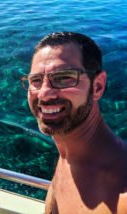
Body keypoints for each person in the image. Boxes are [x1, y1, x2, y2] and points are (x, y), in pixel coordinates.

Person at [21, 32, 127, 213]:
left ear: (97, 86)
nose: (44, 93)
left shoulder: (121, 193)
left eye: (64, 77)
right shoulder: (68, 154)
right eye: (36, 80)